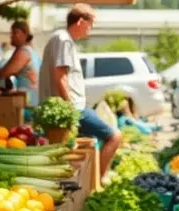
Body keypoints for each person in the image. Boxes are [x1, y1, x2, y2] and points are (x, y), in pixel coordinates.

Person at [39, 3, 121, 176]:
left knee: (75, 152)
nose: (90, 29)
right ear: (80, 21)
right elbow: (60, 76)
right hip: (73, 109)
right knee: (114, 137)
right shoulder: (64, 40)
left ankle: (85, 184)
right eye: (90, 24)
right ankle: (96, 184)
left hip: (68, 109)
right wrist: (70, 111)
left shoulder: (60, 38)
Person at [0, 21, 42, 109]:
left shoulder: (23, 51)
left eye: (15, 32)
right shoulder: (31, 51)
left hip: (29, 102)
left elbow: (4, 73)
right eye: (11, 33)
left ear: (25, 34)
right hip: (34, 100)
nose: (12, 36)